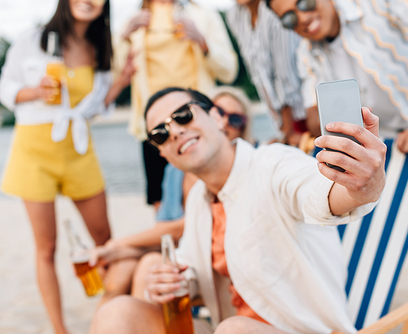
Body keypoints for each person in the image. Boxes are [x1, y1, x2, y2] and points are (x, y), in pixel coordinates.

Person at [266, 0, 408, 332]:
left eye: (305, 3)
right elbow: (317, 114)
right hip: (402, 138)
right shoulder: (309, 54)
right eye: (289, 17)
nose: (302, 17)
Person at [90, 87, 386, 334]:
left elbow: (319, 192)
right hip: (225, 327)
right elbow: (191, 271)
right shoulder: (199, 200)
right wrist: (170, 282)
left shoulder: (272, 164)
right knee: (118, 313)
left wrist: (360, 187)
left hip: (299, 329)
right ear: (163, 154)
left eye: (182, 115)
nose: (176, 131)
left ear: (218, 118)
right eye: (159, 134)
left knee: (234, 330)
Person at [0, 0, 134, 333]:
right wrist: (33, 92)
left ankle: (115, 310)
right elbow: (5, 86)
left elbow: (96, 106)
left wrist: (123, 80)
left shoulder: (99, 46)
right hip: (33, 154)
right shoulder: (32, 39)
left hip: (78, 151)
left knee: (105, 239)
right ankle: (61, 329)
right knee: (47, 248)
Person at [89, 86, 254, 306]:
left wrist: (117, 245)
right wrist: (116, 250)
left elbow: (179, 228)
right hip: (185, 258)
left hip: (203, 265)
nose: (176, 131)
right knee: (122, 269)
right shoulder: (178, 173)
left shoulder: (258, 167)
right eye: (161, 133)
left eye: (235, 119)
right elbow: (167, 230)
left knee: (148, 264)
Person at [116, 0, 238, 210]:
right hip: (157, 131)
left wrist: (203, 42)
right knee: (162, 205)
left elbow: (229, 72)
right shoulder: (133, 22)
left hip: (196, 122)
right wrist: (125, 36)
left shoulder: (204, 16)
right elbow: (117, 74)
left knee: (215, 200)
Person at [225, 0, 307, 146]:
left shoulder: (277, 7)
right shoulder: (234, 15)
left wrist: (288, 132)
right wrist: (280, 129)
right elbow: (257, 74)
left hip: (303, 113)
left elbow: (285, 74)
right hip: (279, 121)